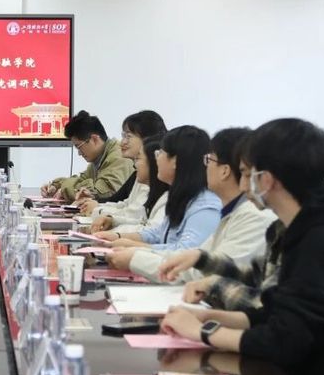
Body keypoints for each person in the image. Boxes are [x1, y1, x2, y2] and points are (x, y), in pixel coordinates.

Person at [160, 118, 324, 375]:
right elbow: (275, 311)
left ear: (265, 180)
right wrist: (212, 318)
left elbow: (285, 341)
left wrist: (202, 332)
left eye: (245, 174)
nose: (243, 186)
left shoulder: (320, 243)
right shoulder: (301, 227)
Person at [130, 128, 276, 281]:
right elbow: (196, 258)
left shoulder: (250, 215)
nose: (204, 166)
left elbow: (204, 271)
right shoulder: (230, 210)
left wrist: (135, 257)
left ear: (225, 171)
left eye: (209, 160)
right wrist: (134, 251)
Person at [96, 125, 221, 255]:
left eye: (160, 153)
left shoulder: (205, 206)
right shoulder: (181, 196)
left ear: (175, 161)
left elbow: (186, 252)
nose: (156, 159)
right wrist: (118, 237)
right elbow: (159, 233)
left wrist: (134, 247)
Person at [78, 110, 167, 218]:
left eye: (128, 136)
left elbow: (135, 214)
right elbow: (123, 203)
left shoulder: (154, 176)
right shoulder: (138, 173)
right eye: (123, 136)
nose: (122, 142)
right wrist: (93, 201)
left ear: (148, 139)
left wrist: (98, 209)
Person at [100, 137, 168, 267]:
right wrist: (114, 228)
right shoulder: (158, 192)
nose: (135, 165)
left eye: (138, 159)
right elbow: (148, 228)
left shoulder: (171, 198)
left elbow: (158, 237)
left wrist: (121, 238)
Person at [40, 110, 134, 202]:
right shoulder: (99, 158)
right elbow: (81, 180)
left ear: (94, 139)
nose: (79, 153)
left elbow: (101, 192)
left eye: (79, 146)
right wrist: (56, 185)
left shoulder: (119, 157)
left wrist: (65, 189)